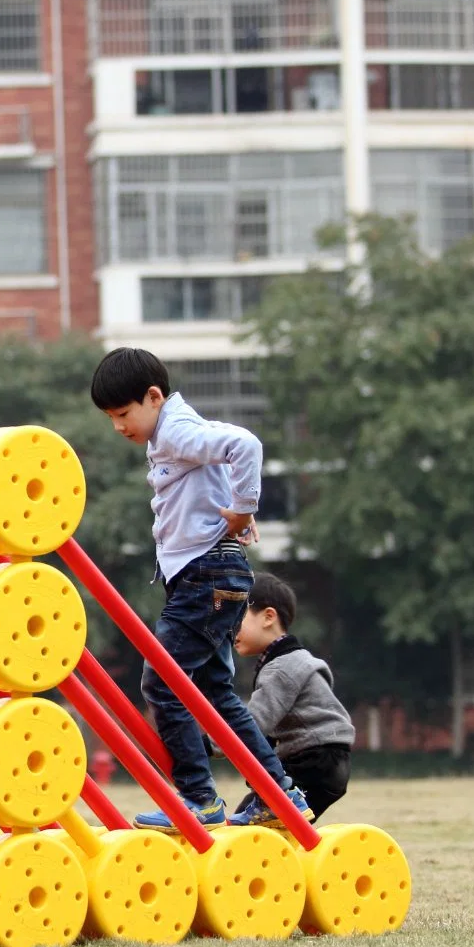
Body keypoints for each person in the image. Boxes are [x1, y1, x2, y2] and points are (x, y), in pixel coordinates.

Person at [89, 347, 311, 830]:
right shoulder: (169, 431)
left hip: (206, 575)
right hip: (210, 576)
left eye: (124, 414)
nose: (119, 427)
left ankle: (199, 797)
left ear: (153, 397)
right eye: (111, 418)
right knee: (215, 694)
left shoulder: (176, 429)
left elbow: (245, 445)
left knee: (161, 681)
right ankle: (281, 794)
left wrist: (245, 507)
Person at [231, 573, 355, 824]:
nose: (229, 628)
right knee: (269, 824)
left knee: (249, 828)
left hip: (312, 761)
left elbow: (252, 725)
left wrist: (206, 744)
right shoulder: (293, 660)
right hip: (327, 760)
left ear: (268, 617)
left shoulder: (281, 668)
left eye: (237, 617)